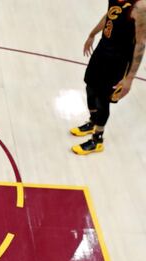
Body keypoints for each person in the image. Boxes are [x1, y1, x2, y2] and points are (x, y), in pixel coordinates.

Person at [71, 0, 146, 155]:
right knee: (90, 86)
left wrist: (129, 79)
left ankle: (97, 140)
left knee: (103, 97)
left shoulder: (140, 6)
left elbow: (140, 43)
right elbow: (110, 15)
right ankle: (93, 121)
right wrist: (92, 34)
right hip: (103, 48)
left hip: (119, 58)